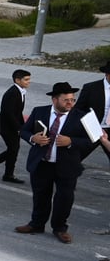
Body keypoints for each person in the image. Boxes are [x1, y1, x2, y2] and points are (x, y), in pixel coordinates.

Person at [15, 81, 91, 244]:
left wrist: (71, 141)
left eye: (72, 100)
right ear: (55, 100)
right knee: (40, 195)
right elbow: (24, 131)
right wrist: (33, 138)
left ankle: (60, 228)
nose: (70, 103)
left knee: (64, 198)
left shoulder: (81, 116)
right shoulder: (39, 111)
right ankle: (36, 224)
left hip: (67, 165)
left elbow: (91, 140)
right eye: (66, 100)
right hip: (42, 162)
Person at [0, 69, 31, 184]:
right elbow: (9, 113)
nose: (29, 82)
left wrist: (23, 126)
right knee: (13, 149)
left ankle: (7, 173)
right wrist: (18, 128)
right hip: (7, 127)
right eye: (26, 80)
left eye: (29, 79)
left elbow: (17, 112)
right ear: (17, 80)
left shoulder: (20, 91)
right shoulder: (12, 93)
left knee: (13, 150)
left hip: (12, 126)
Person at [76, 60, 110, 168]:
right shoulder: (91, 88)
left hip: (109, 129)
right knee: (76, 156)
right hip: (92, 129)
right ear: (107, 74)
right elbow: (78, 109)